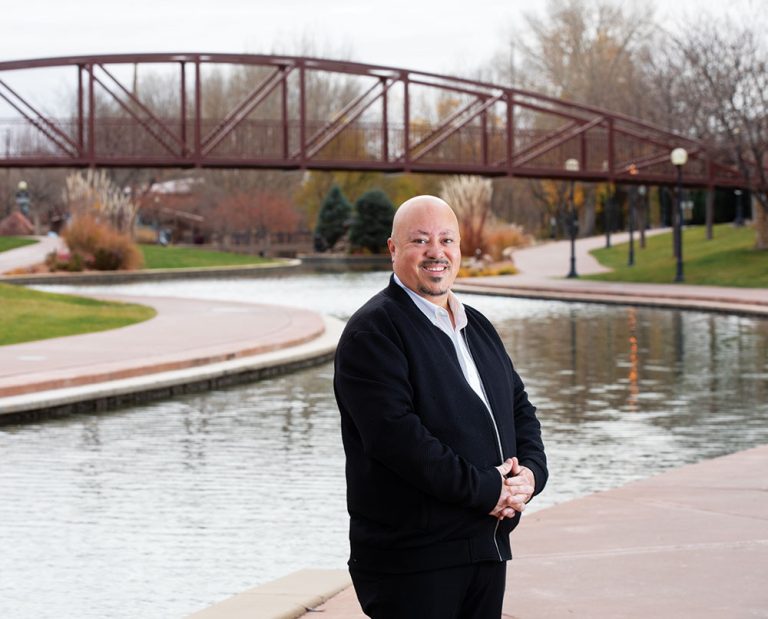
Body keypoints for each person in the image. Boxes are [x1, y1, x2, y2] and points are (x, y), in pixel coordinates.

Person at [333, 195, 547, 618]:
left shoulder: (477, 326)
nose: (436, 251)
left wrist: (531, 477)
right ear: (393, 249)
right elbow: (400, 442)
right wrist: (489, 489)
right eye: (420, 240)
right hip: (414, 561)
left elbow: (520, 409)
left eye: (447, 239)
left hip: (485, 548)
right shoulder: (373, 333)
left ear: (460, 249)